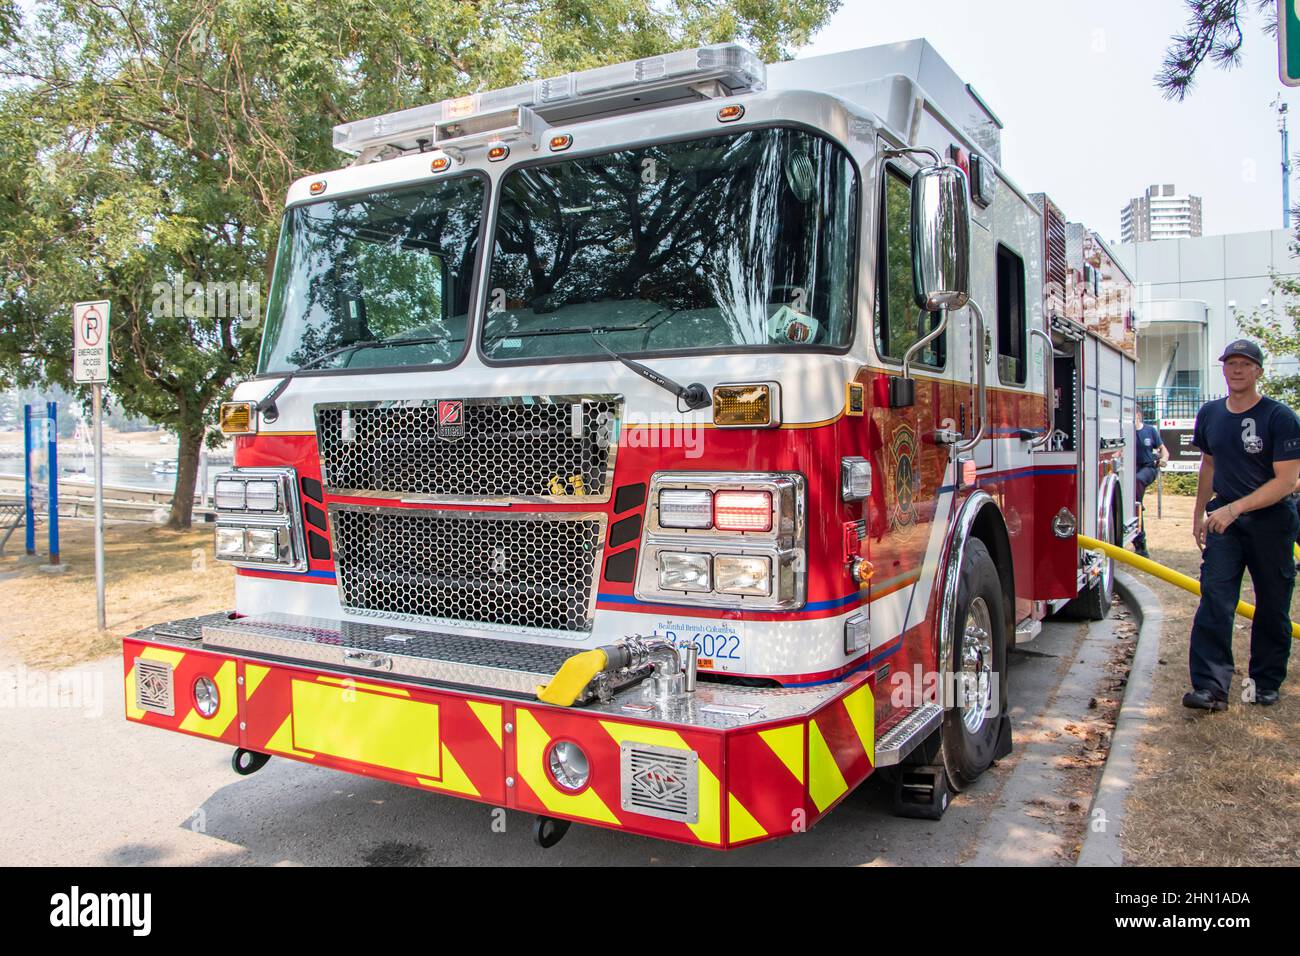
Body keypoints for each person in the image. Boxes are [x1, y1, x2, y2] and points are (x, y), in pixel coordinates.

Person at [1183, 340, 1300, 711]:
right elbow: (1210, 465)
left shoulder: (1280, 418)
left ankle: (1264, 682)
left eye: (1245, 364)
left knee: (1272, 605)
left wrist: (1235, 508)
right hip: (1224, 525)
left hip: (1271, 522)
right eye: (1231, 363)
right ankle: (1210, 688)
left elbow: (1286, 481)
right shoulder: (1211, 414)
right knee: (1215, 598)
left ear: (1258, 372)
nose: (1236, 370)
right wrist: (1200, 513)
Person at [1132, 406, 1168, 558]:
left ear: (1138, 415)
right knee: (1134, 506)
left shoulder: (1150, 431)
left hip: (1147, 468)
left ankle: (1137, 501)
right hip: (1131, 468)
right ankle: (1140, 544)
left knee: (1138, 481)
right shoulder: (1125, 431)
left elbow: (1164, 450)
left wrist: (1164, 459)